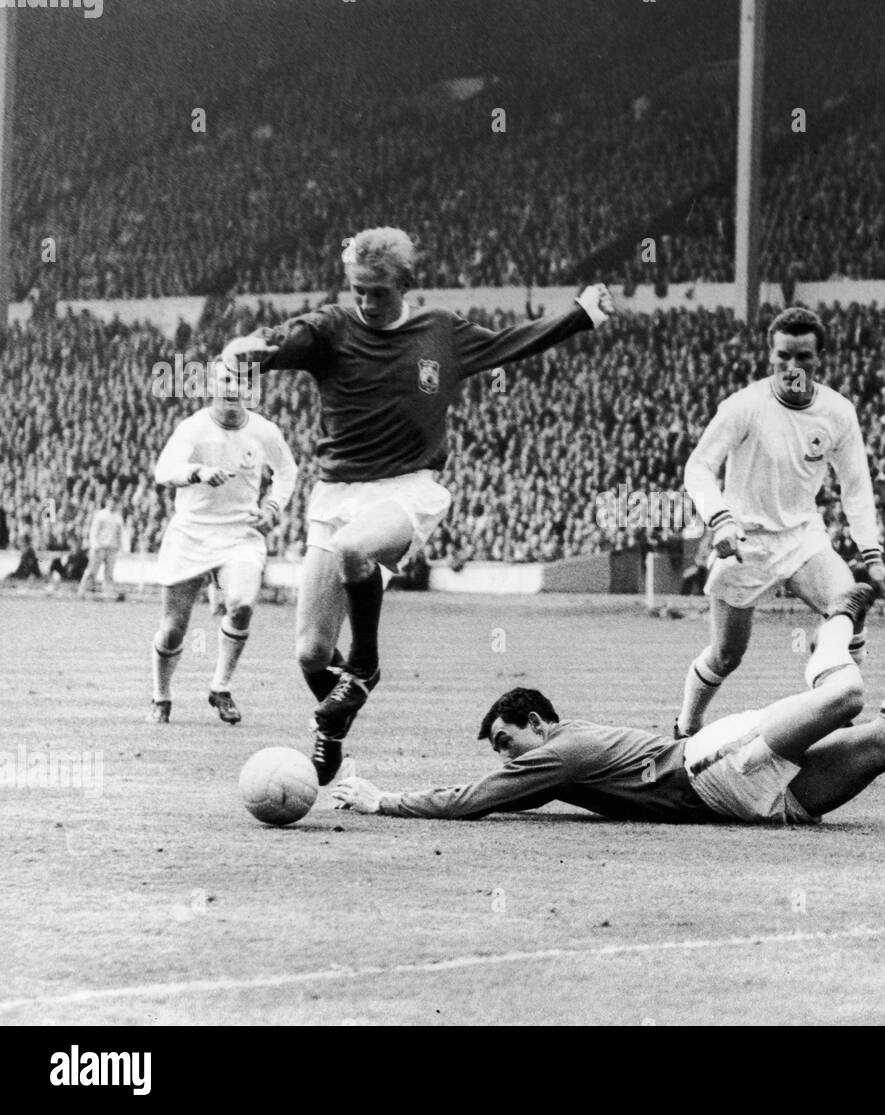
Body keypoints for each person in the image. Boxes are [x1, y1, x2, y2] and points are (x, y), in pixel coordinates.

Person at [220, 226, 615, 783]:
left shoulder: (440, 332)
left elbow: (511, 342)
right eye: (357, 288)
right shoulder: (330, 328)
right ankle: (332, 731)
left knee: (356, 550)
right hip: (335, 493)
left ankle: (364, 665)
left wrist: (581, 314)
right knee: (310, 654)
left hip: (407, 488)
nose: (366, 300)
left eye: (378, 290)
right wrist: (245, 351)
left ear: (406, 284)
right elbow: (271, 343)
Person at [331, 584, 885, 823]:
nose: (509, 755)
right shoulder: (566, 755)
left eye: (506, 738)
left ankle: (835, 622)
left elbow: (476, 797)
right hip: (749, 806)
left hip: (713, 766)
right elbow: (500, 792)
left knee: (845, 693)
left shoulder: (563, 749)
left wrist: (382, 800)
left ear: (538, 723)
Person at [674, 307, 885, 738]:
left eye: (803, 357)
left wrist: (873, 555)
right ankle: (686, 726)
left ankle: (831, 706)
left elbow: (856, 486)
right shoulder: (744, 406)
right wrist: (721, 523)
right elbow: (698, 467)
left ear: (820, 357)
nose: (792, 367)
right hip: (746, 541)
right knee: (726, 655)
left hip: (802, 538)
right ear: (770, 355)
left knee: (850, 606)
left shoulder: (837, 411)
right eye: (783, 357)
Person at [148, 362, 298, 725]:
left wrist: (273, 506)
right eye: (226, 380)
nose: (233, 387)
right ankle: (161, 696)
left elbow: (287, 471)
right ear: (212, 385)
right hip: (192, 533)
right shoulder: (194, 428)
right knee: (173, 629)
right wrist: (197, 472)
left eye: (242, 381)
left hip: (239, 535)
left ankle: (221, 687)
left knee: (242, 605)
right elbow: (164, 469)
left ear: (249, 389)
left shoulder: (263, 431)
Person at [78, 495, 126, 600]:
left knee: (109, 572)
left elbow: (120, 533)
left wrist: (121, 547)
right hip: (100, 547)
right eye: (111, 502)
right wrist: (95, 544)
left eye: (115, 502)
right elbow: (94, 531)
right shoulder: (101, 515)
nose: (113, 504)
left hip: (112, 548)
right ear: (107, 502)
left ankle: (107, 592)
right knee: (92, 570)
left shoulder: (118, 517)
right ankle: (83, 590)